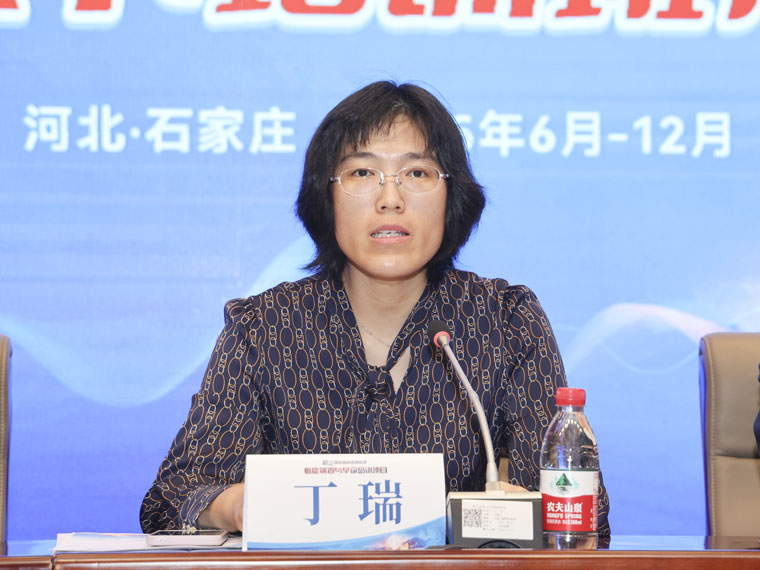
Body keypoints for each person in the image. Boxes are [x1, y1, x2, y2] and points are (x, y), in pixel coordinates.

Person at [140, 80, 610, 536]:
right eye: (363, 173)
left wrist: (514, 509)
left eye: (417, 173)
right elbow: (172, 498)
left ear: (452, 196)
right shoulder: (264, 328)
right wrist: (238, 506)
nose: (390, 199)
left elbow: (582, 515)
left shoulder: (505, 321)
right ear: (326, 196)